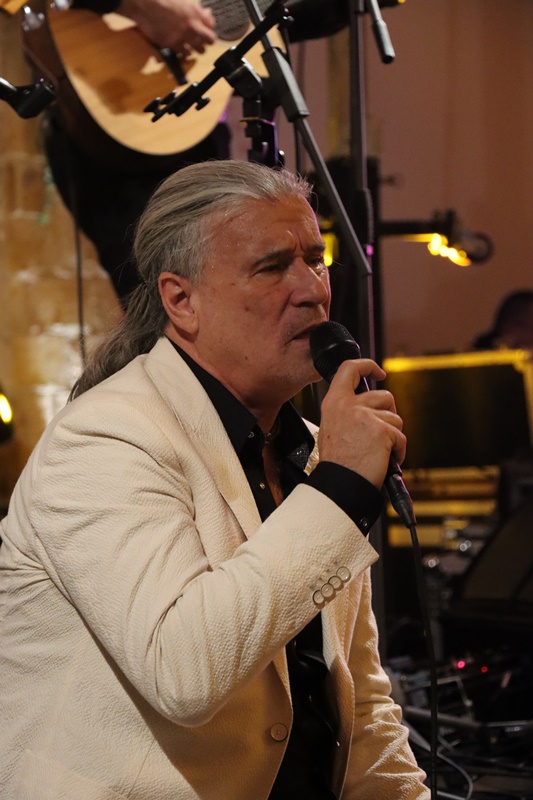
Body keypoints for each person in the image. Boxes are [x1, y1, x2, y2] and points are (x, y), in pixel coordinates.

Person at [0, 160, 430, 800]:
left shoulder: (317, 454)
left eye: (316, 259)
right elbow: (185, 672)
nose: (312, 290)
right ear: (181, 301)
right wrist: (340, 489)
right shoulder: (104, 438)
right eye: (272, 267)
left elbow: (358, 700)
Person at [42, 0, 352, 306]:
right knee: (164, 309)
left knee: (218, 305)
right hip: (121, 130)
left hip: (192, 131)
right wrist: (141, 6)